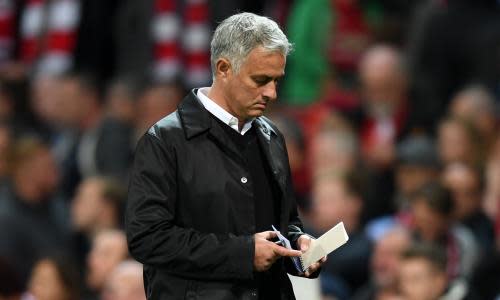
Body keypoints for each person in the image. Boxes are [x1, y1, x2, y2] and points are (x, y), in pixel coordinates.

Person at [126, 12, 325, 299]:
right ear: (223, 68)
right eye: (261, 80)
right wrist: (243, 254)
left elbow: (283, 222)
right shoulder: (165, 141)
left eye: (276, 81)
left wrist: (298, 244)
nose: (272, 93)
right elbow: (148, 239)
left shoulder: (272, 136)